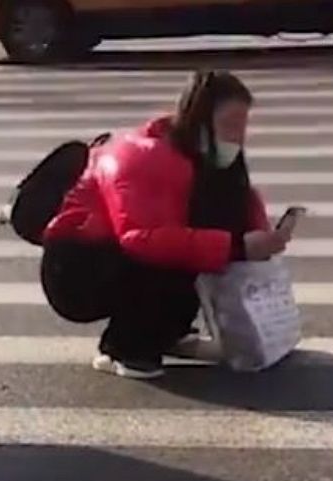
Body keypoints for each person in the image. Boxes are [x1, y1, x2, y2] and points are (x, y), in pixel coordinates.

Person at [39, 70, 293, 380]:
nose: (236, 138)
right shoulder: (143, 155)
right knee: (174, 255)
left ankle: (167, 332)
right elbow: (141, 238)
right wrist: (237, 246)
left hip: (118, 254)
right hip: (78, 267)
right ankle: (123, 346)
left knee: (198, 246)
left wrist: (262, 237)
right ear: (199, 120)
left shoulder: (200, 153)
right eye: (229, 126)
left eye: (242, 128)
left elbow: (236, 202)